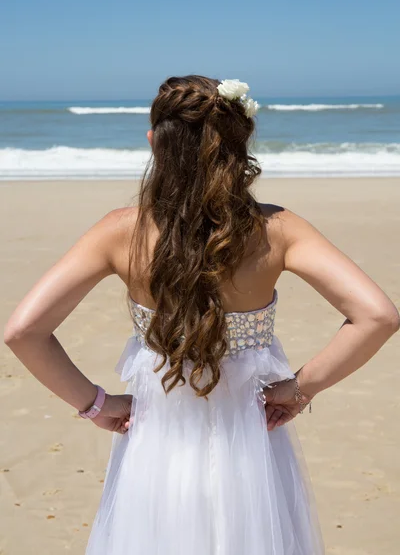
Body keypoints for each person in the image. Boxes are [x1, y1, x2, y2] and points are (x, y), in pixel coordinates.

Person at [4, 75, 399, 555]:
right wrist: (299, 389)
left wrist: (96, 404)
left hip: (157, 443)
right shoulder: (279, 230)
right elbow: (377, 316)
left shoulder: (119, 232)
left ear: (154, 143)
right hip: (250, 449)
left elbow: (24, 331)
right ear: (239, 143)